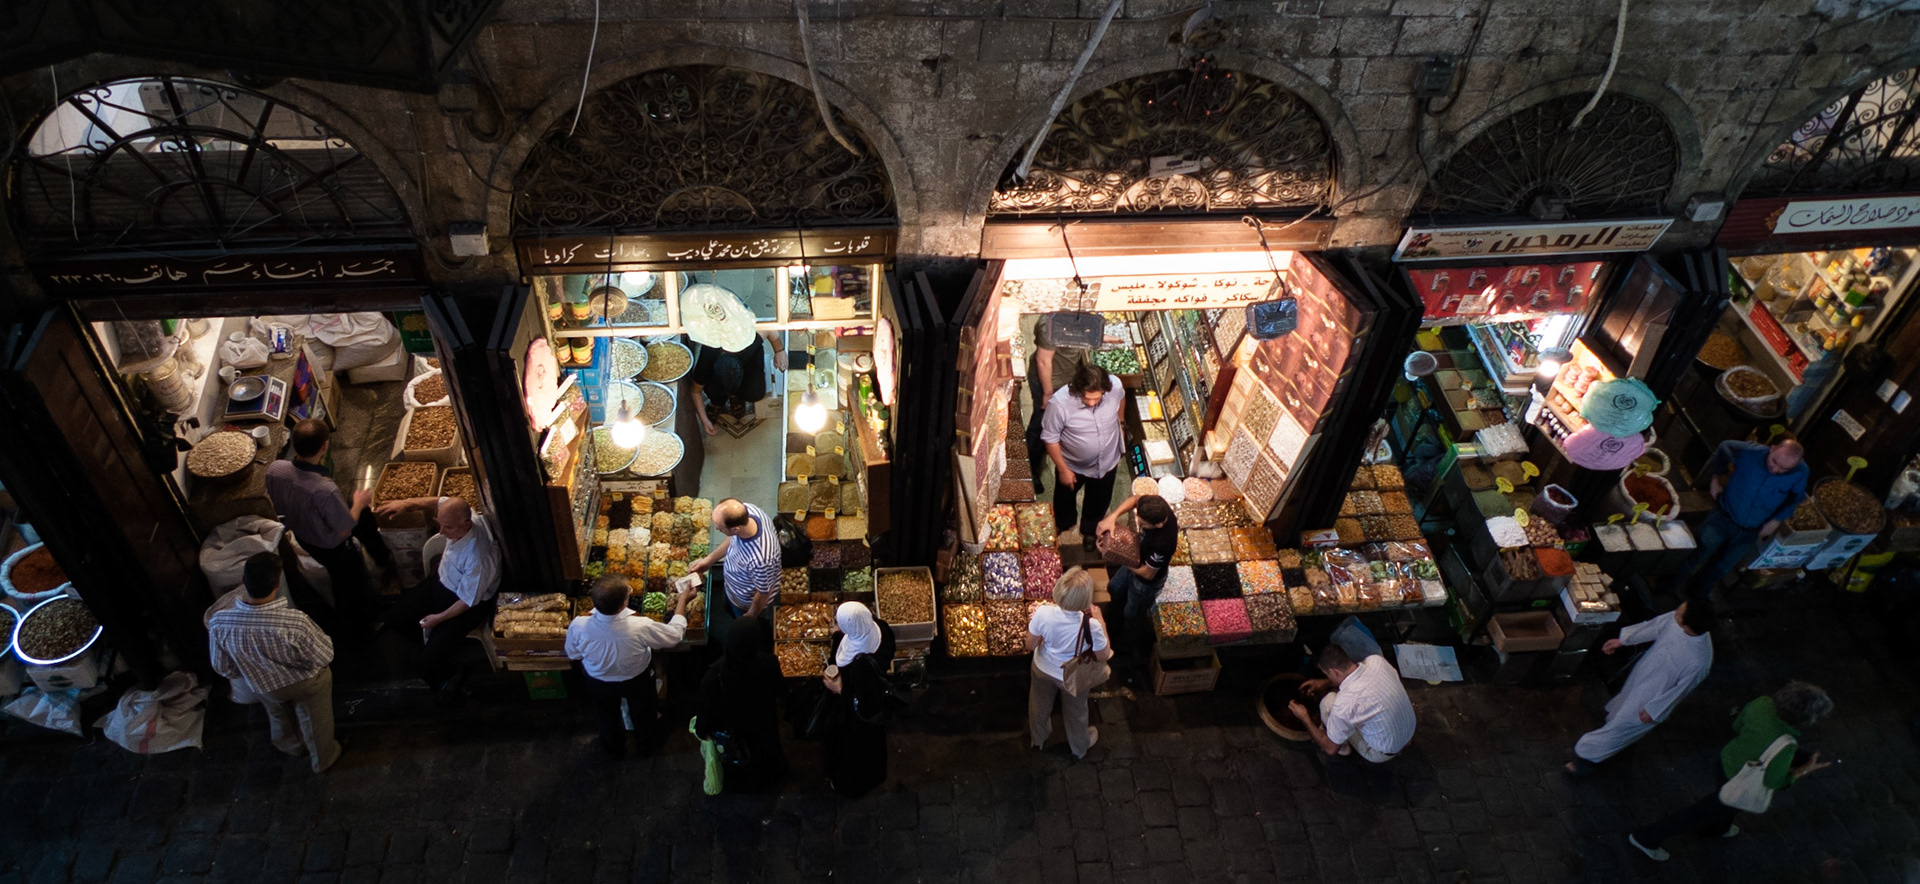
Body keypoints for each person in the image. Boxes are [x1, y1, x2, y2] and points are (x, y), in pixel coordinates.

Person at [1629, 681, 1835, 861]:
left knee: (1723, 806)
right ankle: (1645, 838)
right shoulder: (1787, 744)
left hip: (1726, 760)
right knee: (1696, 814)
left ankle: (1716, 829)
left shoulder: (1762, 704)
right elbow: (1775, 781)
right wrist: (1802, 771)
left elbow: (1738, 726)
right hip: (1740, 779)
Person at [207, 552, 344, 773]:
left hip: (263, 686)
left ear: (243, 582)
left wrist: (251, 669)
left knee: (279, 715)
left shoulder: (220, 622)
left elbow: (222, 666)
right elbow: (324, 656)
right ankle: (323, 758)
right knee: (316, 720)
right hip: (305, 682)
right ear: (277, 584)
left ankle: (291, 746)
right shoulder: (295, 622)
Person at [264, 419, 388, 633]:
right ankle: (362, 627)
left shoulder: (276, 469)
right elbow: (343, 529)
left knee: (364, 518)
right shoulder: (323, 490)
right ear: (324, 446)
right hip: (333, 546)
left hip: (305, 535)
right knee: (349, 584)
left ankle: (383, 558)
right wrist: (358, 502)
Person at [1566, 601, 1716, 776]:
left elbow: (1681, 691)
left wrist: (1655, 710)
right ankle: (1600, 743)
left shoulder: (1700, 660)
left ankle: (1586, 760)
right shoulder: (1676, 620)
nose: (1675, 611)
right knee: (1621, 707)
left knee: (1624, 725)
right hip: (1644, 673)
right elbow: (1653, 627)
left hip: (1653, 695)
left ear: (1687, 624)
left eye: (1680, 612)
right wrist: (1623, 641)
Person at [376, 496, 501, 698]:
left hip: (463, 605)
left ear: (466, 524)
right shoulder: (464, 518)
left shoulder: (478, 557)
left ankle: (448, 679)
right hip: (440, 581)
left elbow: (467, 602)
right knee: (394, 618)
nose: (441, 532)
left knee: (426, 664)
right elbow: (439, 501)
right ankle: (429, 643)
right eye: (439, 524)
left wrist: (438, 618)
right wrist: (407, 504)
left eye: (448, 528)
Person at [565, 575, 694, 757]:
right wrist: (683, 601)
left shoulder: (578, 625)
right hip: (637, 680)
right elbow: (674, 635)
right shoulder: (640, 626)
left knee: (607, 716)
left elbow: (573, 653)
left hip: (598, 682)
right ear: (624, 603)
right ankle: (647, 747)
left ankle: (613, 749)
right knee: (644, 715)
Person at [1674, 437, 1809, 597]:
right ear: (1772, 449)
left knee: (1721, 567)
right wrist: (1716, 478)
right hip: (1723, 516)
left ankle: (1697, 596)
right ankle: (1668, 585)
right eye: (1774, 461)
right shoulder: (1749, 452)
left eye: (1783, 469)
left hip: (1750, 530)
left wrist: (1777, 519)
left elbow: (1795, 497)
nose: (1775, 469)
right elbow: (1723, 447)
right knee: (1697, 552)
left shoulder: (1801, 471)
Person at [1026, 568, 1113, 760]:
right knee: (1077, 711)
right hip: (1073, 676)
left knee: (1038, 705)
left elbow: (1030, 645)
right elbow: (1104, 655)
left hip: (1042, 669)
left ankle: (1038, 739)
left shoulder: (1043, 614)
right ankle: (1079, 747)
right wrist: (1101, 621)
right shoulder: (1091, 626)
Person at [695, 618, 789, 792]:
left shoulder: (714, 676)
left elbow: (705, 714)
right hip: (764, 726)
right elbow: (781, 691)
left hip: (733, 732)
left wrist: (703, 731)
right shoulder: (768, 663)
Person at [1041, 362, 1125, 551]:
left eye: (1097, 398)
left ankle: (1089, 531)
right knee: (1064, 498)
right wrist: (1063, 469)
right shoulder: (1060, 403)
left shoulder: (1115, 386)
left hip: (1108, 462)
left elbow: (1121, 399)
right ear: (1079, 390)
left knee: (1099, 500)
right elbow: (1049, 437)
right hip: (1072, 465)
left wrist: (1121, 422)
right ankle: (1063, 523)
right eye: (1087, 399)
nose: (1092, 403)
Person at [1290, 643, 1417, 763]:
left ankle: (1344, 748)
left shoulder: (1344, 705)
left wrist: (1304, 717)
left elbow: (1330, 749)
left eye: (1327, 674)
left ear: (1334, 672)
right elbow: (1351, 676)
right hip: (1408, 731)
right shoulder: (1377, 661)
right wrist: (1325, 682)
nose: (1327, 677)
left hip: (1382, 752)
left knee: (1328, 702)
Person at [822, 602, 896, 796]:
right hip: (876, 714)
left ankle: (850, 784)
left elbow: (863, 704)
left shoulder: (858, 665)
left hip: (858, 721)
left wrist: (839, 689)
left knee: (855, 751)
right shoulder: (882, 629)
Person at [1096, 494, 1179, 655]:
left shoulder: (1162, 544)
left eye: (1144, 523)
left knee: (1132, 614)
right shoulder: (1158, 506)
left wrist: (1114, 554)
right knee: (1114, 587)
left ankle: (1127, 645)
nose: (1139, 523)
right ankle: (1113, 617)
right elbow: (1135, 499)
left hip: (1145, 583)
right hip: (1136, 559)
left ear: (1159, 524)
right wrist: (1112, 517)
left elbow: (1147, 574)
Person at [1023, 315, 1092, 485]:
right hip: (1049, 383)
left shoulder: (1078, 314)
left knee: (1054, 424)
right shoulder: (1051, 323)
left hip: (1067, 379)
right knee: (1041, 425)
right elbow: (1043, 360)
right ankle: (1029, 470)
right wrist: (1048, 393)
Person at [691, 498, 782, 620]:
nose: (717, 530)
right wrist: (709, 560)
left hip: (745, 603)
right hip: (732, 589)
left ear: (735, 529)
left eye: (720, 528)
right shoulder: (749, 510)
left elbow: (763, 593)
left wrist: (748, 617)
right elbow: (732, 539)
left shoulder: (762, 559)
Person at [688, 331, 782, 436]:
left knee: (756, 392)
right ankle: (717, 402)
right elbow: (695, 391)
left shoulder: (749, 340)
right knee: (713, 391)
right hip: (717, 377)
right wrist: (705, 421)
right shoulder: (708, 354)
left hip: (750, 361)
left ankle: (737, 396)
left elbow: (768, 329)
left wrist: (779, 351)